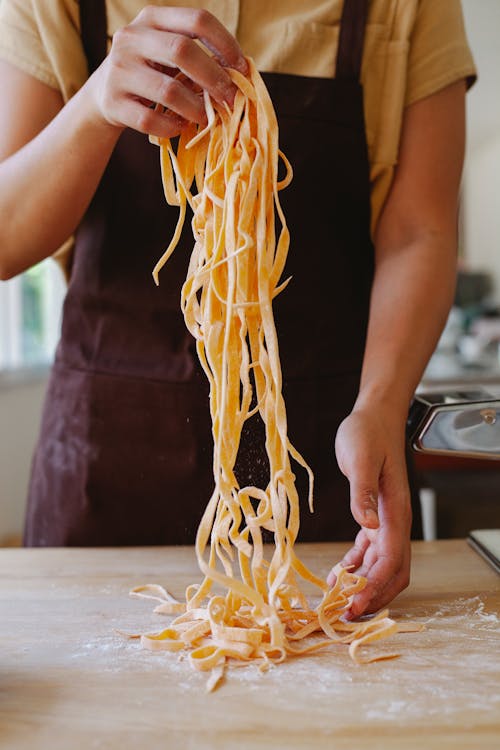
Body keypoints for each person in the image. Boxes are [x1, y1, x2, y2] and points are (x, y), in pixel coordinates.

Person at [0, 0, 476, 619]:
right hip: (104, 452)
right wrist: (95, 107)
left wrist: (382, 408)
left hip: (320, 454)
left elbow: (419, 230)